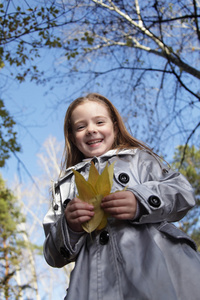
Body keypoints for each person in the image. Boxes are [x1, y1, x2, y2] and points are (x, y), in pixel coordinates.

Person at [43, 93, 200, 300]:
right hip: (93, 284)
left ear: (114, 127)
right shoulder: (65, 186)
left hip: (159, 265)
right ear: (72, 136)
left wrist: (140, 200)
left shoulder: (138, 159)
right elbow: (52, 254)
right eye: (81, 127)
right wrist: (69, 226)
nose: (91, 129)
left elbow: (182, 191)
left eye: (100, 122)